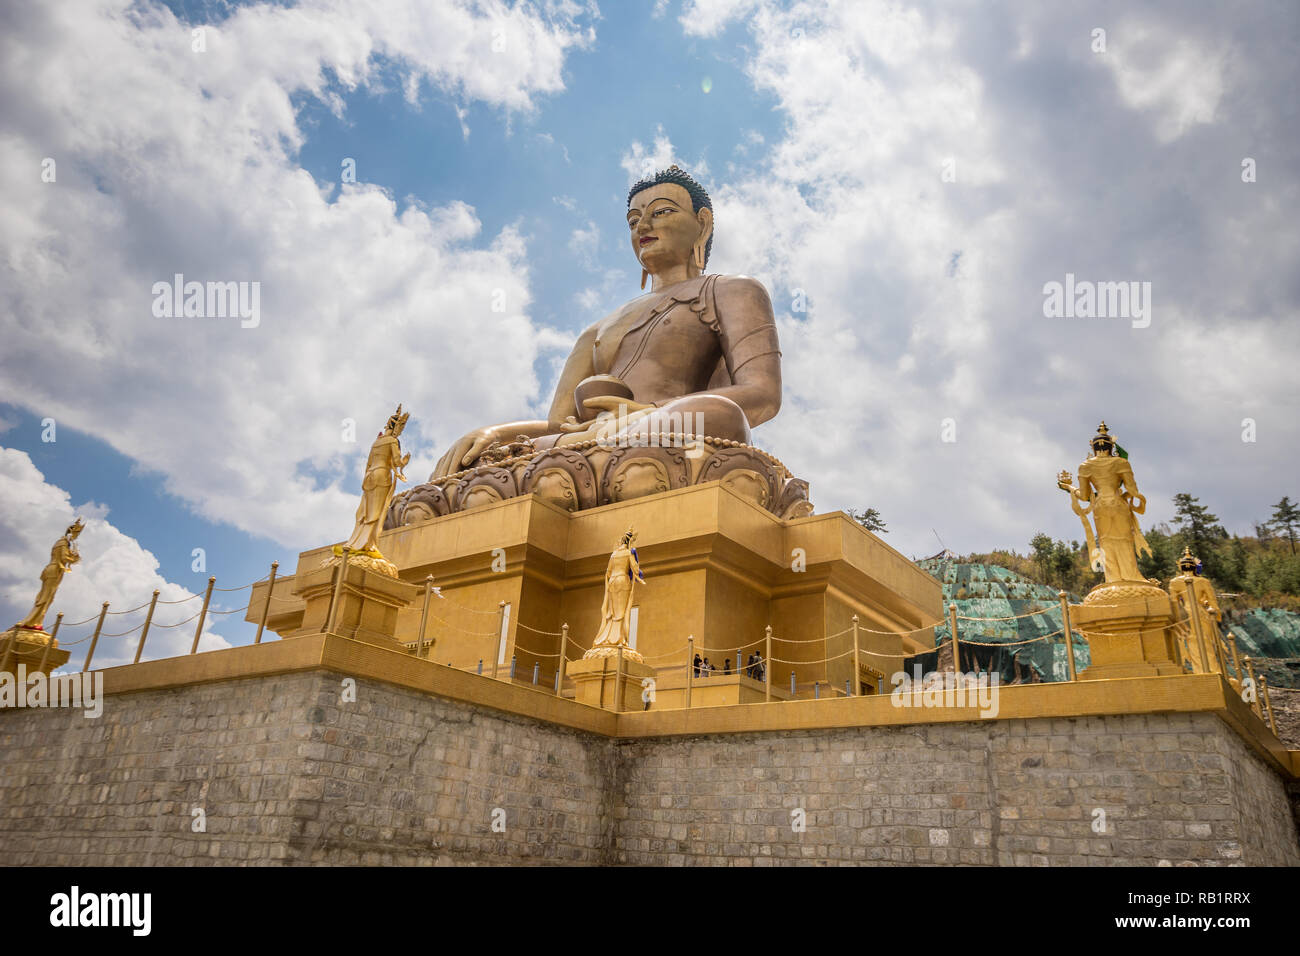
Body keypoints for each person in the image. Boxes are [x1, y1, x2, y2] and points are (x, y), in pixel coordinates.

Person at [432, 165, 782, 478]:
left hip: (670, 432)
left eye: (661, 212)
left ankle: (583, 453)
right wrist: (497, 435)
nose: (644, 226)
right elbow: (559, 424)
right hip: (588, 446)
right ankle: (574, 455)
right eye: (633, 221)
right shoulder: (596, 330)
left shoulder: (732, 290)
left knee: (720, 414)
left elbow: (762, 395)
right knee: (481, 457)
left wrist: (644, 412)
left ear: (702, 223)